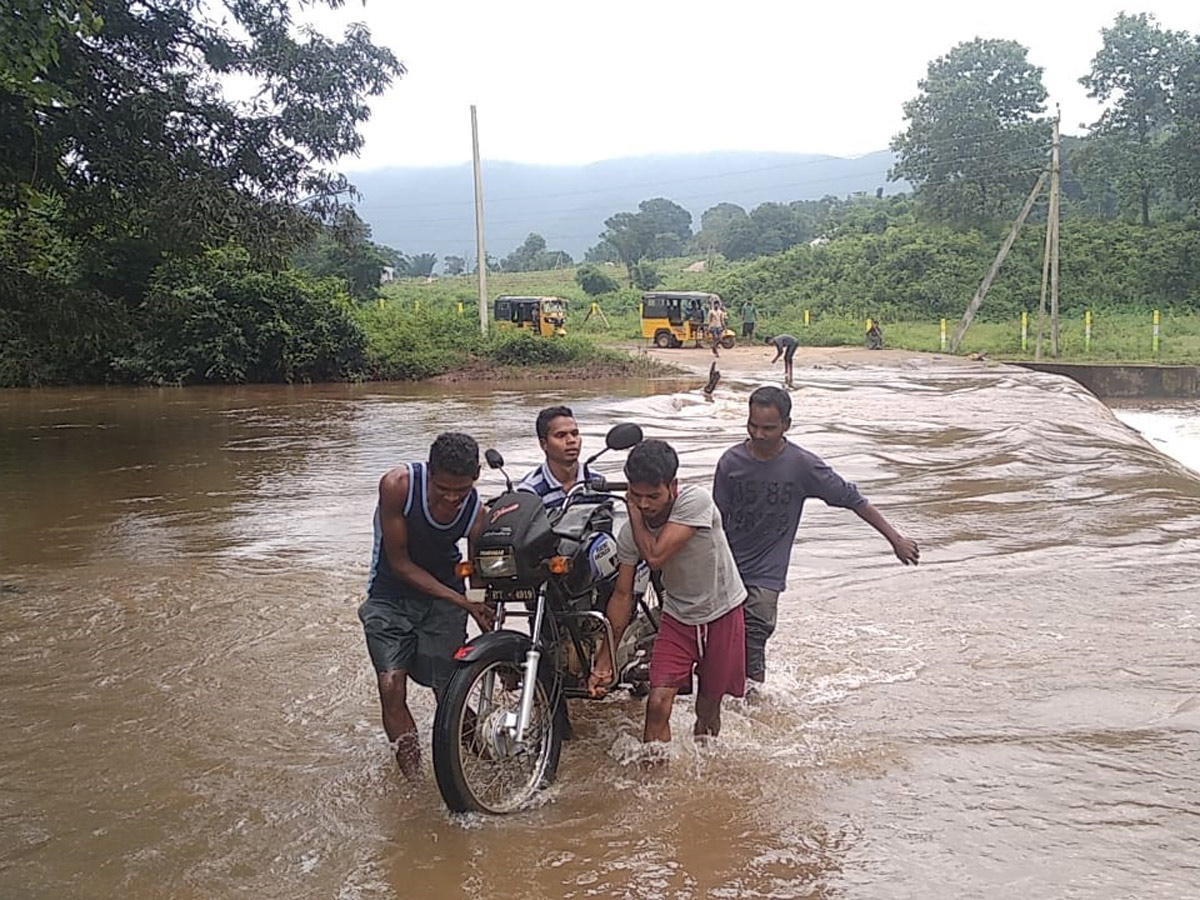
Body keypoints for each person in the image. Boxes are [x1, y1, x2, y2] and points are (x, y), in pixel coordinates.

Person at [712, 387, 919, 690]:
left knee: (753, 638)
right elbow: (714, 520)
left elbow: (853, 499)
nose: (759, 433)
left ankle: (752, 708)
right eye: (752, 425)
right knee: (717, 642)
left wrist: (895, 539)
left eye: (768, 428)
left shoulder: (802, 465)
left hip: (766, 574)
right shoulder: (730, 463)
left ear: (786, 425)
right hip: (726, 567)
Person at [589, 439, 747, 745]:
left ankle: (705, 775)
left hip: (722, 613)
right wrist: (605, 660)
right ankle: (654, 783)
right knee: (657, 703)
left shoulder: (695, 501)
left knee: (708, 707)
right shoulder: (629, 537)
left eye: (653, 496)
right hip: (677, 618)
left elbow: (657, 556)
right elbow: (622, 596)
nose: (645, 504)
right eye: (636, 495)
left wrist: (633, 514)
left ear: (673, 486)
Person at [359, 432, 494, 780]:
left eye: (460, 491)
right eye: (443, 488)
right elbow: (400, 563)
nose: (451, 498)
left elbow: (475, 572)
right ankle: (414, 780)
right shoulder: (398, 487)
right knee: (391, 685)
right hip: (389, 595)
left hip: (445, 598)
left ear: (477, 475)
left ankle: (484, 760)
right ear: (429, 471)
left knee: (449, 689)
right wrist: (460, 601)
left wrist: (480, 611)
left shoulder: (477, 514)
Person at [516, 406, 596, 512]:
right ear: (544, 444)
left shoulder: (597, 482)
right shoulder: (530, 491)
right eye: (561, 435)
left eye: (574, 434)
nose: (571, 440)